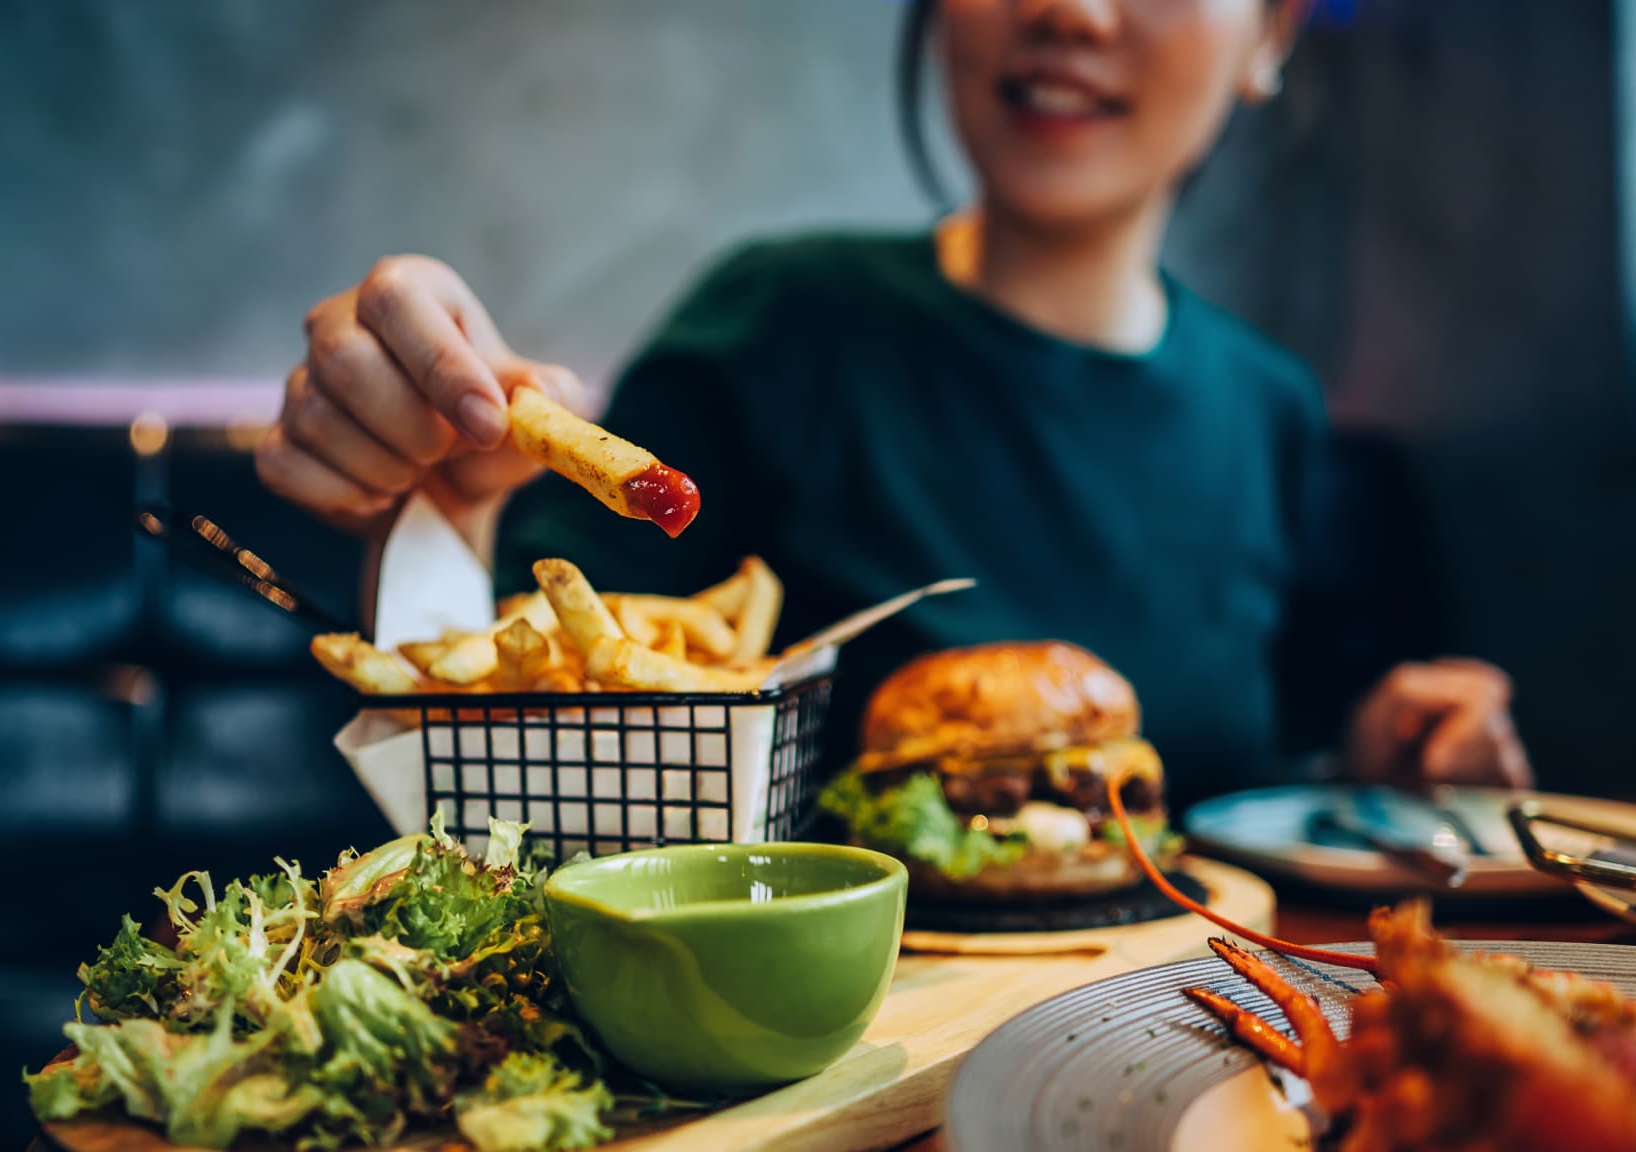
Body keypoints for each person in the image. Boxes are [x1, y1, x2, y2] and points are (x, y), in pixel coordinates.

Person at [257, 0, 1530, 808]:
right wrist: (446, 501)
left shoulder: (1274, 409)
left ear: (1274, 32)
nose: (1069, 13)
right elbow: (528, 727)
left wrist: (1391, 751)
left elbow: (1281, 762)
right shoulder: (777, 326)